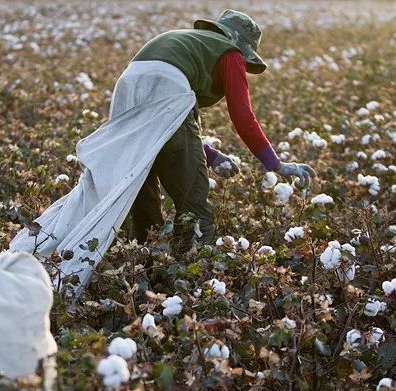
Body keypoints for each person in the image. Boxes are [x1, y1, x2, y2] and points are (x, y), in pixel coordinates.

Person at [127, 9, 316, 254]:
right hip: (167, 99)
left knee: (141, 186)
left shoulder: (187, 41)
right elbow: (243, 115)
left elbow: (163, 128)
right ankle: (190, 268)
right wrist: (276, 165)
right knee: (194, 204)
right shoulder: (230, 52)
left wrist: (211, 156)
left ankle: (141, 263)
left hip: (126, 91)